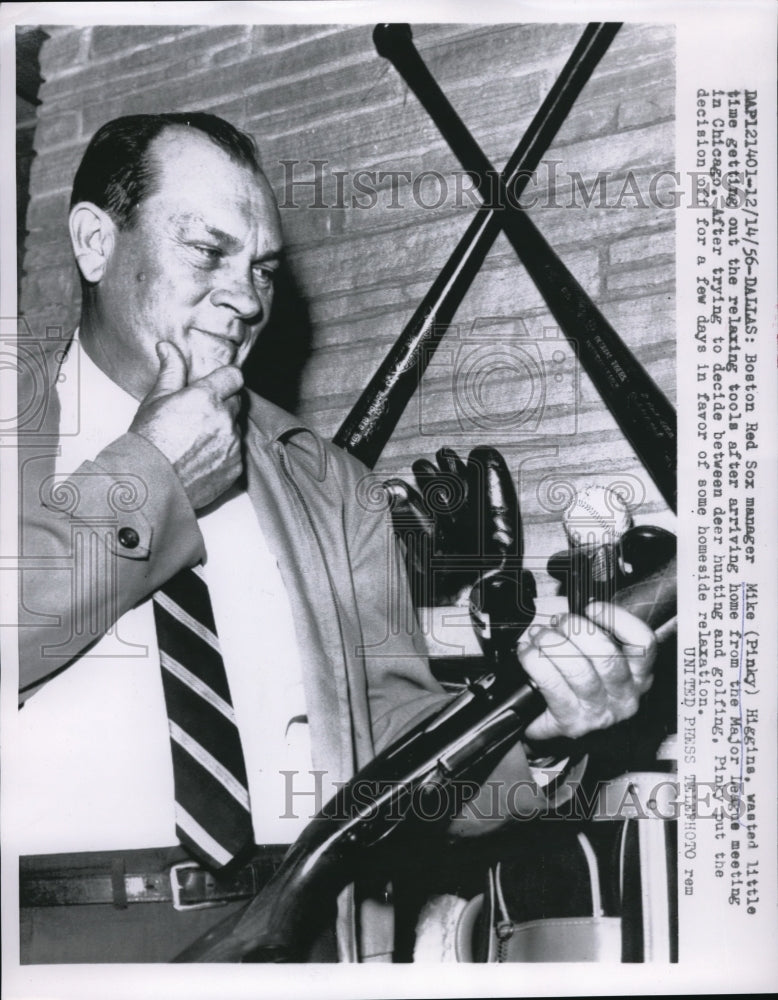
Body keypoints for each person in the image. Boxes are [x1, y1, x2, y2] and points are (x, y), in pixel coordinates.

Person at [15, 112, 656, 964]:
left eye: (263, 270)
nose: (246, 299)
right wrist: (154, 474)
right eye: (208, 251)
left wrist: (534, 735)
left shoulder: (328, 482)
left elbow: (393, 744)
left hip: (305, 934)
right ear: (96, 242)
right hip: (45, 941)